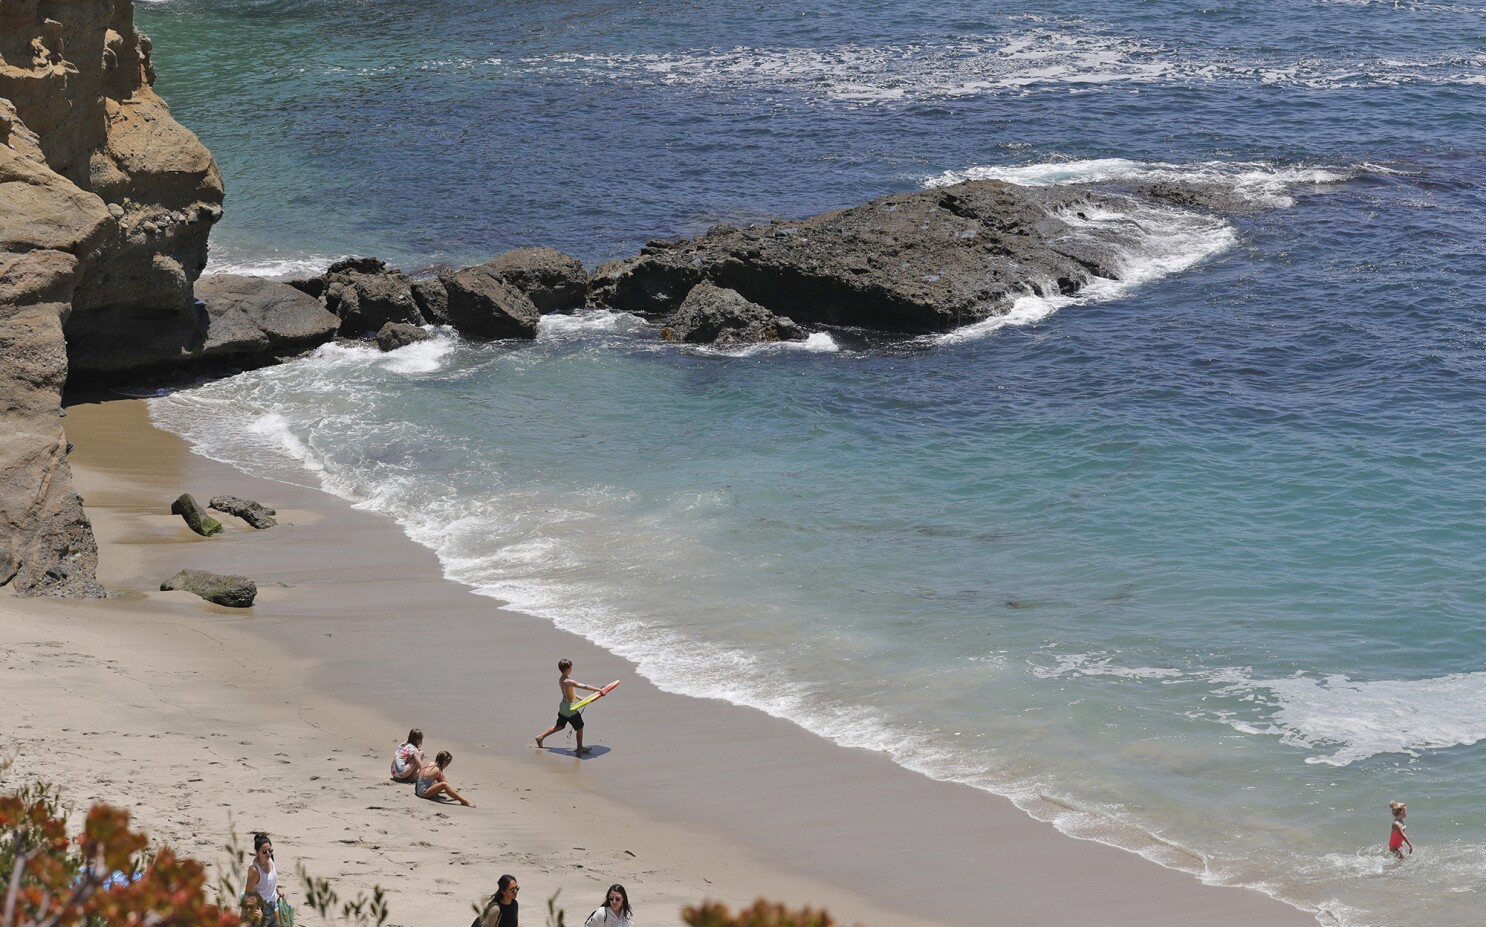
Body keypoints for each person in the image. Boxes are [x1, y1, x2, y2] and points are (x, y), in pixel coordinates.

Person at [534, 659, 603, 755]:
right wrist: (599, 690)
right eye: (571, 667)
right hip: (570, 709)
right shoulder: (568, 681)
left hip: (563, 706)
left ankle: (540, 737)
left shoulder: (561, 679)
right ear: (567, 669)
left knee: (560, 726)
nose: (572, 669)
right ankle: (580, 748)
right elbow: (584, 686)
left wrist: (579, 697)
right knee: (580, 726)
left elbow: (568, 692)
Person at [244, 832, 286, 927]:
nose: (268, 853)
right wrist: (247, 914)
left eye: (270, 850)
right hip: (260, 909)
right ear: (257, 852)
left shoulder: (270, 859)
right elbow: (248, 893)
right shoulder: (254, 870)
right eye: (264, 851)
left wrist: (277, 890)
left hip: (273, 906)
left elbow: (270, 879)